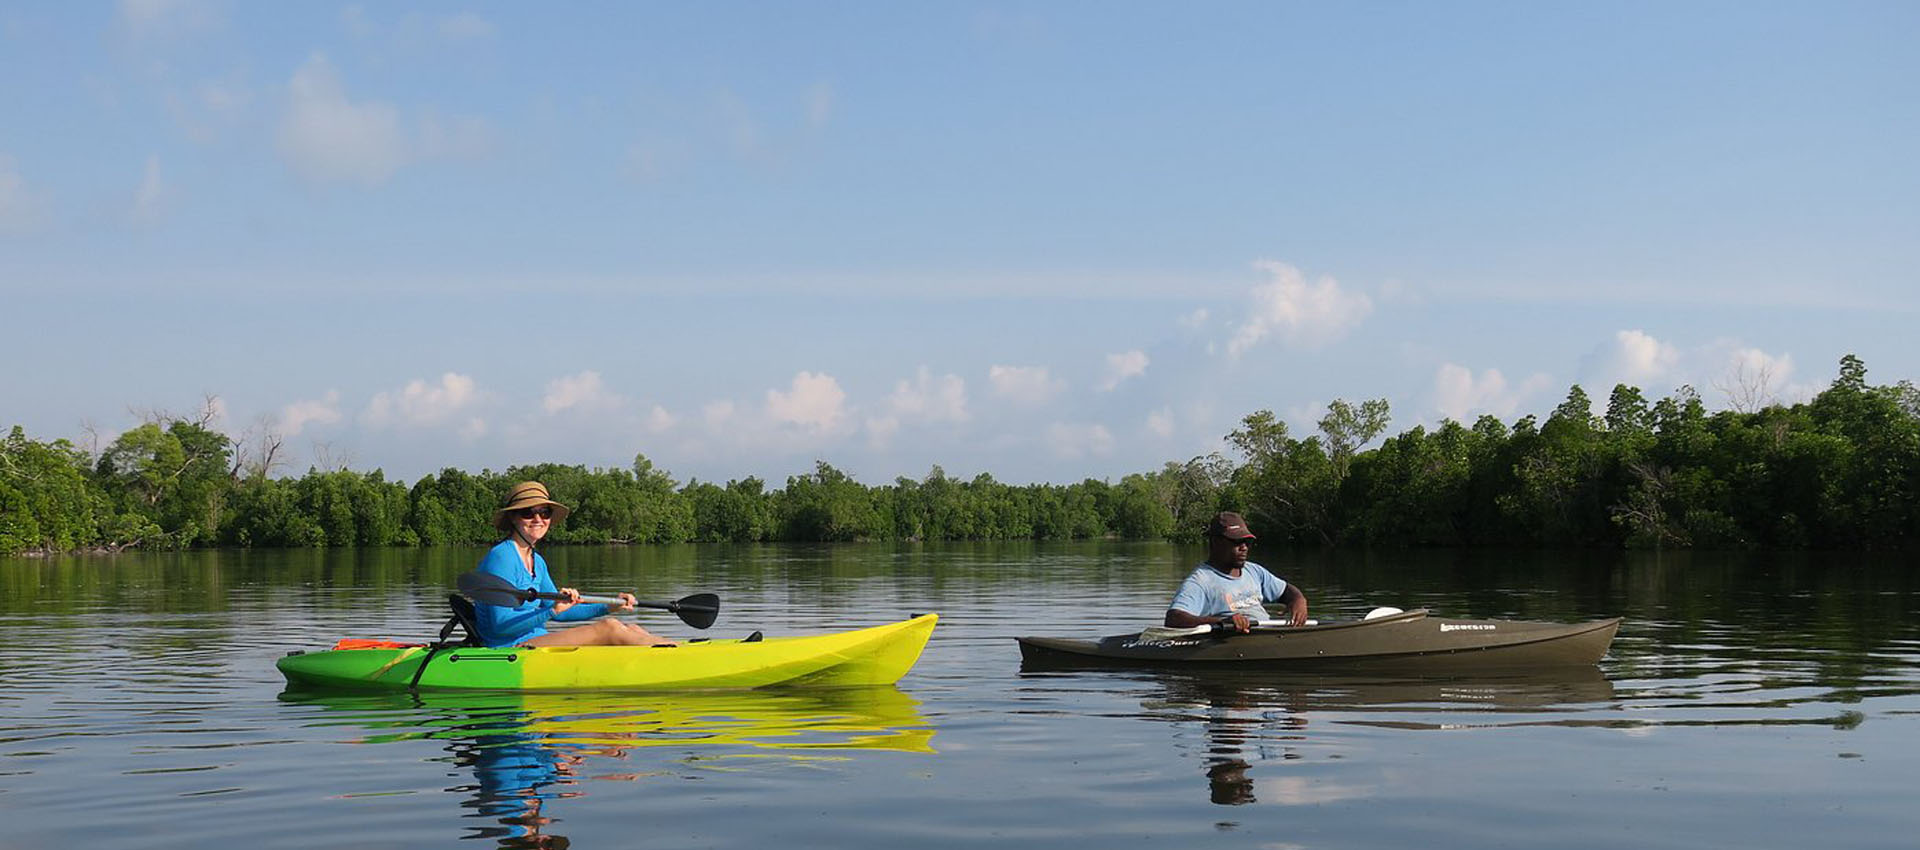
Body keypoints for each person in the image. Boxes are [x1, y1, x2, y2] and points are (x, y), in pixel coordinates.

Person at [472, 481, 674, 648]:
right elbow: (500, 625)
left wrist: (610, 606)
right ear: (513, 518)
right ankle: (676, 659)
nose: (538, 519)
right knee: (609, 628)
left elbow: (560, 611)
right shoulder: (502, 558)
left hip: (534, 640)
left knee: (631, 629)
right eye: (528, 512)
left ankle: (675, 649)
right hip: (509, 649)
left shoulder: (537, 561)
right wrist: (552, 611)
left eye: (545, 512)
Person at [1165, 511, 1308, 632]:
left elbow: (1287, 591)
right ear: (1216, 542)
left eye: (1247, 542)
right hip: (1232, 643)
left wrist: (1298, 601)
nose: (1244, 547)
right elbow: (1173, 619)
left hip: (1266, 636)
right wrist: (1221, 621)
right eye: (1237, 542)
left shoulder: (1254, 571)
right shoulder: (1200, 581)